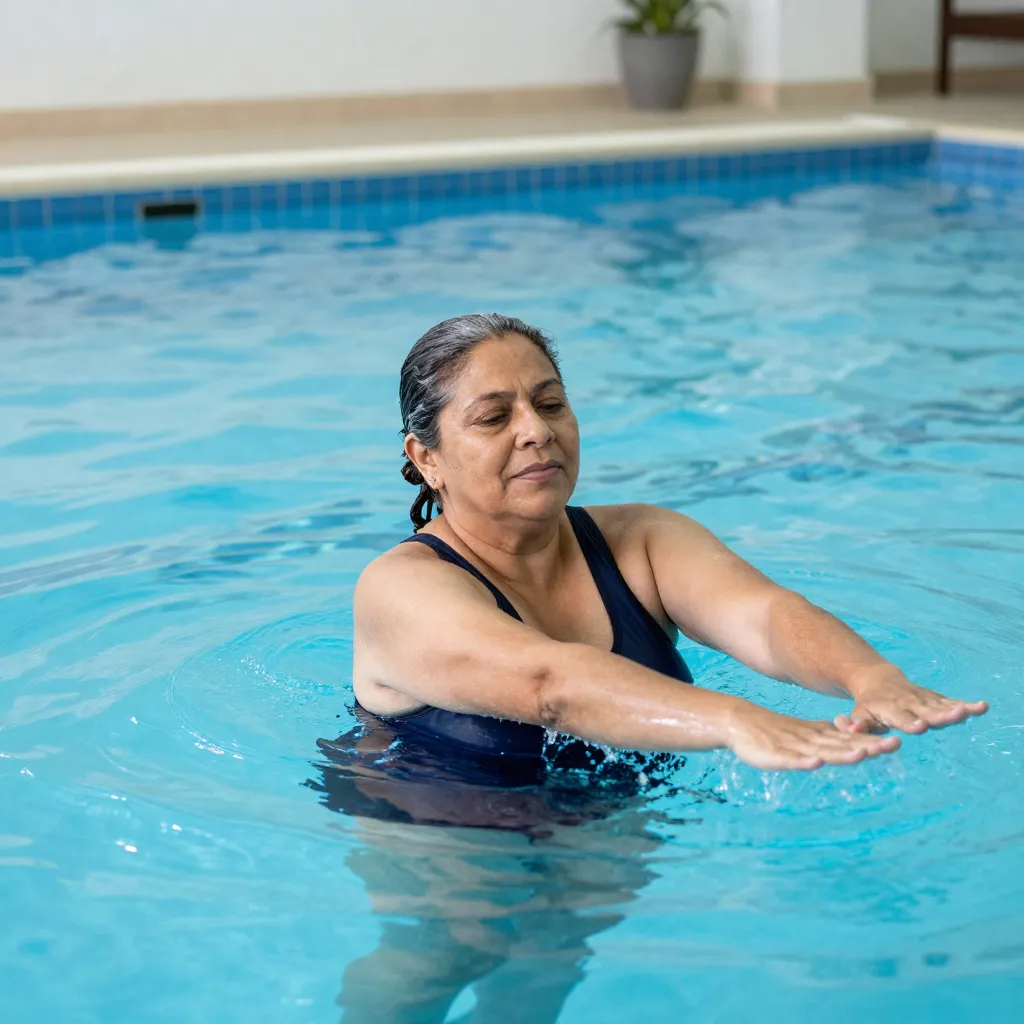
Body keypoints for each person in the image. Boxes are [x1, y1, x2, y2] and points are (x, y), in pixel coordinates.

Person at [352, 313, 988, 775]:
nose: (536, 432)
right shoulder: (403, 590)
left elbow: (765, 616)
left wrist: (869, 675)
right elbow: (552, 685)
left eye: (551, 404)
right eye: (495, 418)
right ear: (426, 456)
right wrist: (734, 719)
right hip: (445, 855)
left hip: (609, 839)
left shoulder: (643, 541)